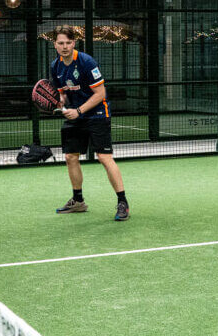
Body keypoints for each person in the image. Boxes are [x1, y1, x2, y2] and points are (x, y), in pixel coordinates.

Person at [49, 25, 129, 220]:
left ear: (74, 43)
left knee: (104, 157)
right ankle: (78, 202)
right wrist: (61, 102)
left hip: (97, 114)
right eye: (61, 43)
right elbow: (63, 93)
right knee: (70, 157)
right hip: (75, 115)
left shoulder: (86, 62)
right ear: (55, 45)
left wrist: (78, 111)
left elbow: (100, 94)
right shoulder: (55, 66)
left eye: (68, 42)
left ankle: (122, 202)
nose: (65, 46)